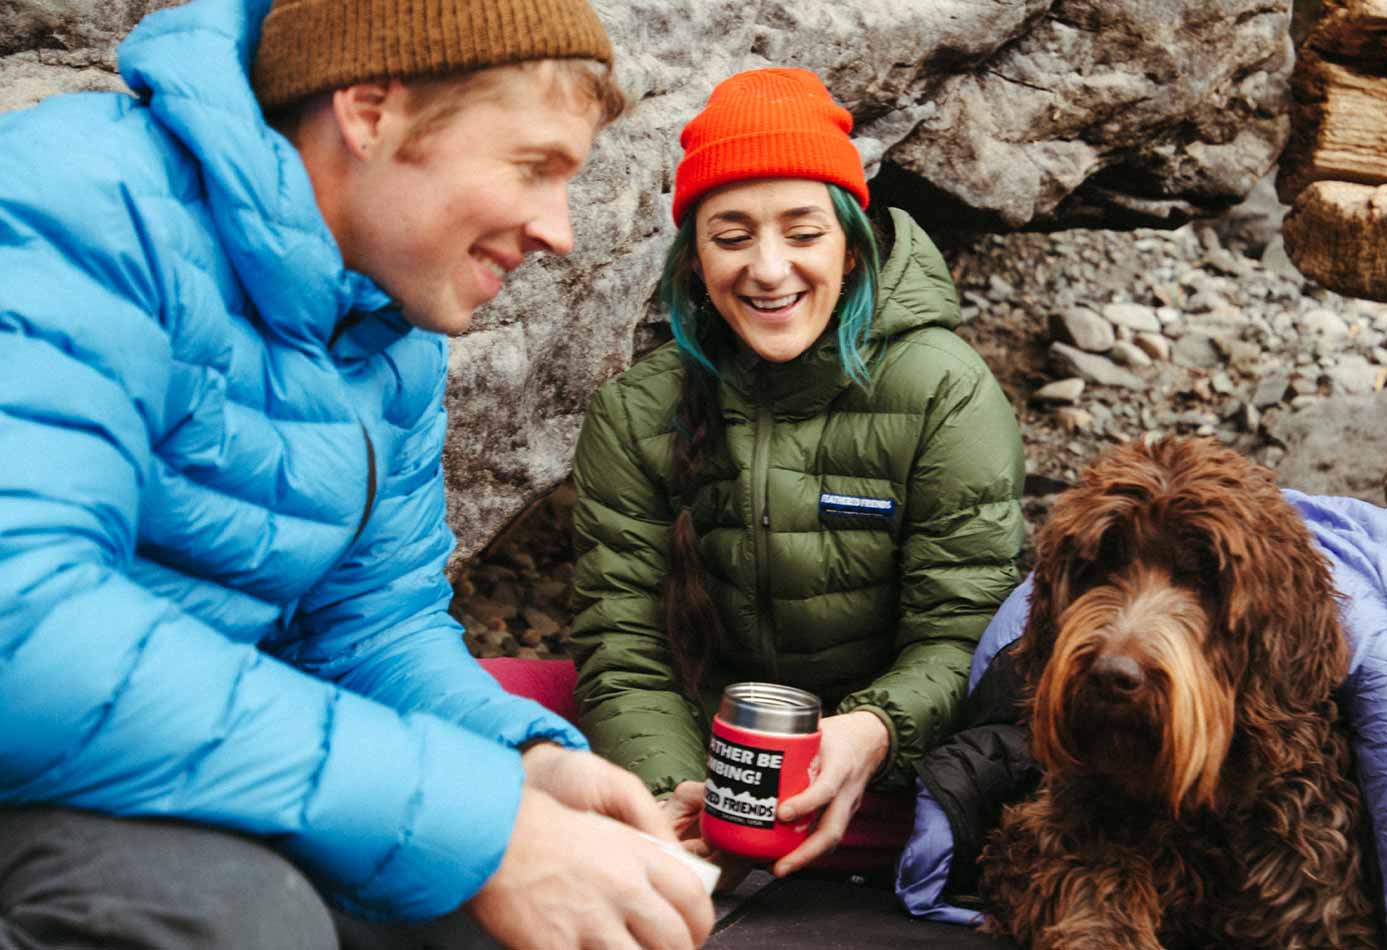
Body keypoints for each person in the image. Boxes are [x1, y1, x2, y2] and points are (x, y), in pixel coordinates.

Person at [0, 0, 713, 948]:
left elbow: (366, 627)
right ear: (370, 112)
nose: (560, 230)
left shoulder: (385, 334)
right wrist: (478, 821)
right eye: (533, 167)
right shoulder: (77, 204)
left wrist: (524, 764)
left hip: (179, 757)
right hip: (38, 759)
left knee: (534, 909)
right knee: (237, 920)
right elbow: (23, 626)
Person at [566, 67, 1027, 881]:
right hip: (708, 759)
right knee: (496, 704)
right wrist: (669, 794)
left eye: (803, 233)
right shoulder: (636, 412)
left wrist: (872, 733)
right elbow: (624, 647)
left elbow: (964, 632)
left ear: (850, 248)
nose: (770, 269)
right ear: (695, 259)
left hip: (884, 766)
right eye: (732, 237)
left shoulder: (944, 391)